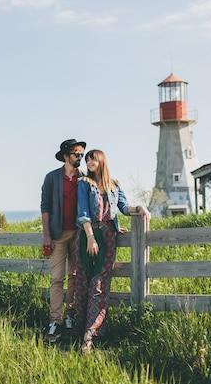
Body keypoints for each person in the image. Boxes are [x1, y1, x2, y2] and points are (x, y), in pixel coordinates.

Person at [74, 149, 151, 354]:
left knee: (100, 283)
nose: (89, 161)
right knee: (83, 281)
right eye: (87, 158)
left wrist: (140, 208)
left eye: (92, 158)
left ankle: (90, 334)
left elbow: (125, 208)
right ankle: (81, 327)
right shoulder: (84, 183)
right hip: (87, 235)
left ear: (101, 160)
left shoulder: (114, 185)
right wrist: (90, 237)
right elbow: (82, 212)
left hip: (108, 237)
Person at [40, 139, 86, 343]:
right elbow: (45, 206)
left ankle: (70, 316)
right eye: (77, 154)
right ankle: (55, 321)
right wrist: (46, 234)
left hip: (78, 234)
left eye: (82, 154)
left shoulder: (85, 178)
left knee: (74, 276)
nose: (80, 158)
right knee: (57, 278)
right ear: (66, 156)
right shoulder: (51, 178)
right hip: (57, 235)